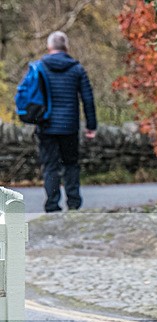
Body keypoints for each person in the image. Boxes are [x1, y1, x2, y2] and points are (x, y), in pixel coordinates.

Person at [36, 31, 97, 212]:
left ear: (49, 47)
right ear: (66, 47)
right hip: (69, 125)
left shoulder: (39, 67)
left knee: (50, 166)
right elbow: (87, 99)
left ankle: (52, 204)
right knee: (70, 164)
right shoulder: (77, 69)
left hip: (46, 125)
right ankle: (73, 203)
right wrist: (91, 125)